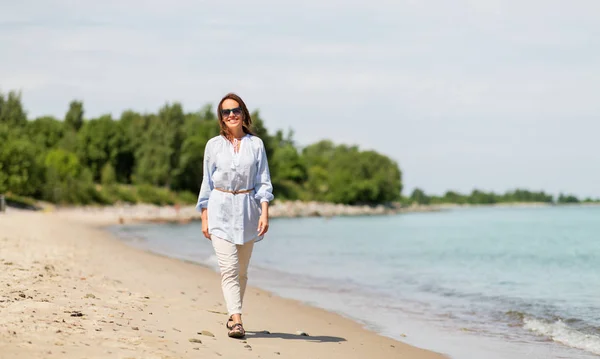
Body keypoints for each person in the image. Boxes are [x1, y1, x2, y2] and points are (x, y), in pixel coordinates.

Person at [196, 93, 274, 339]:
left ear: (243, 113)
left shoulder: (256, 144)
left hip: (248, 210)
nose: (231, 115)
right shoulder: (213, 145)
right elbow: (206, 183)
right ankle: (238, 321)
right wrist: (204, 216)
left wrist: (264, 213)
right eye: (226, 112)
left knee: (241, 271)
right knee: (229, 269)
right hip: (219, 208)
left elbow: (263, 182)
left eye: (235, 110)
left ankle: (232, 314)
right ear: (220, 117)